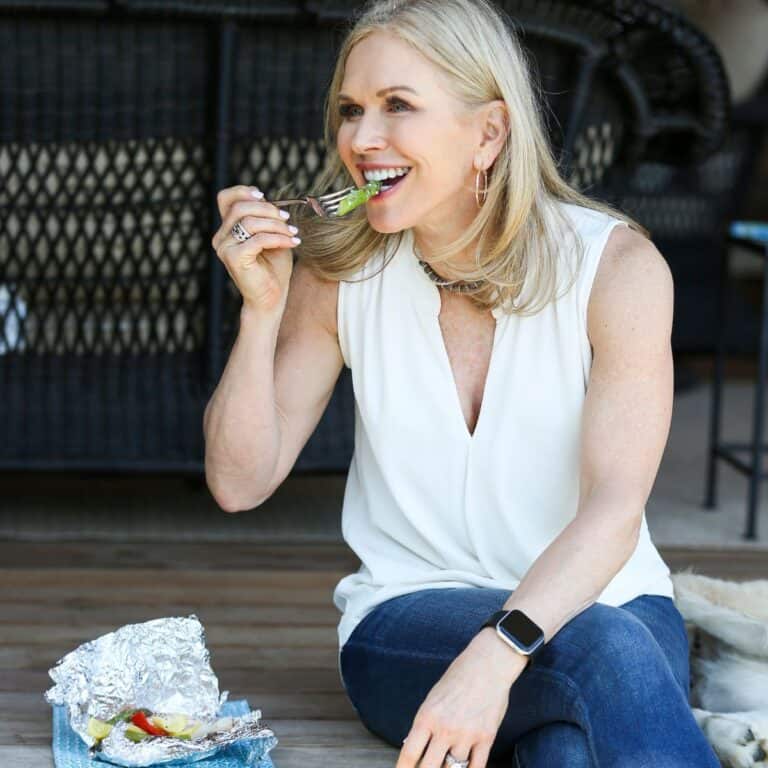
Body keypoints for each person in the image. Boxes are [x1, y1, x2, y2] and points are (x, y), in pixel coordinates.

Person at [203, 0, 721, 765]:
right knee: (601, 656)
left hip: (611, 605)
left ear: (489, 133)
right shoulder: (341, 278)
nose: (360, 138)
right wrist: (261, 312)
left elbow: (615, 509)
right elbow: (238, 482)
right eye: (350, 110)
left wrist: (496, 654)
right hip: (413, 624)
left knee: (567, 748)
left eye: (397, 107)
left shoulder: (618, 272)